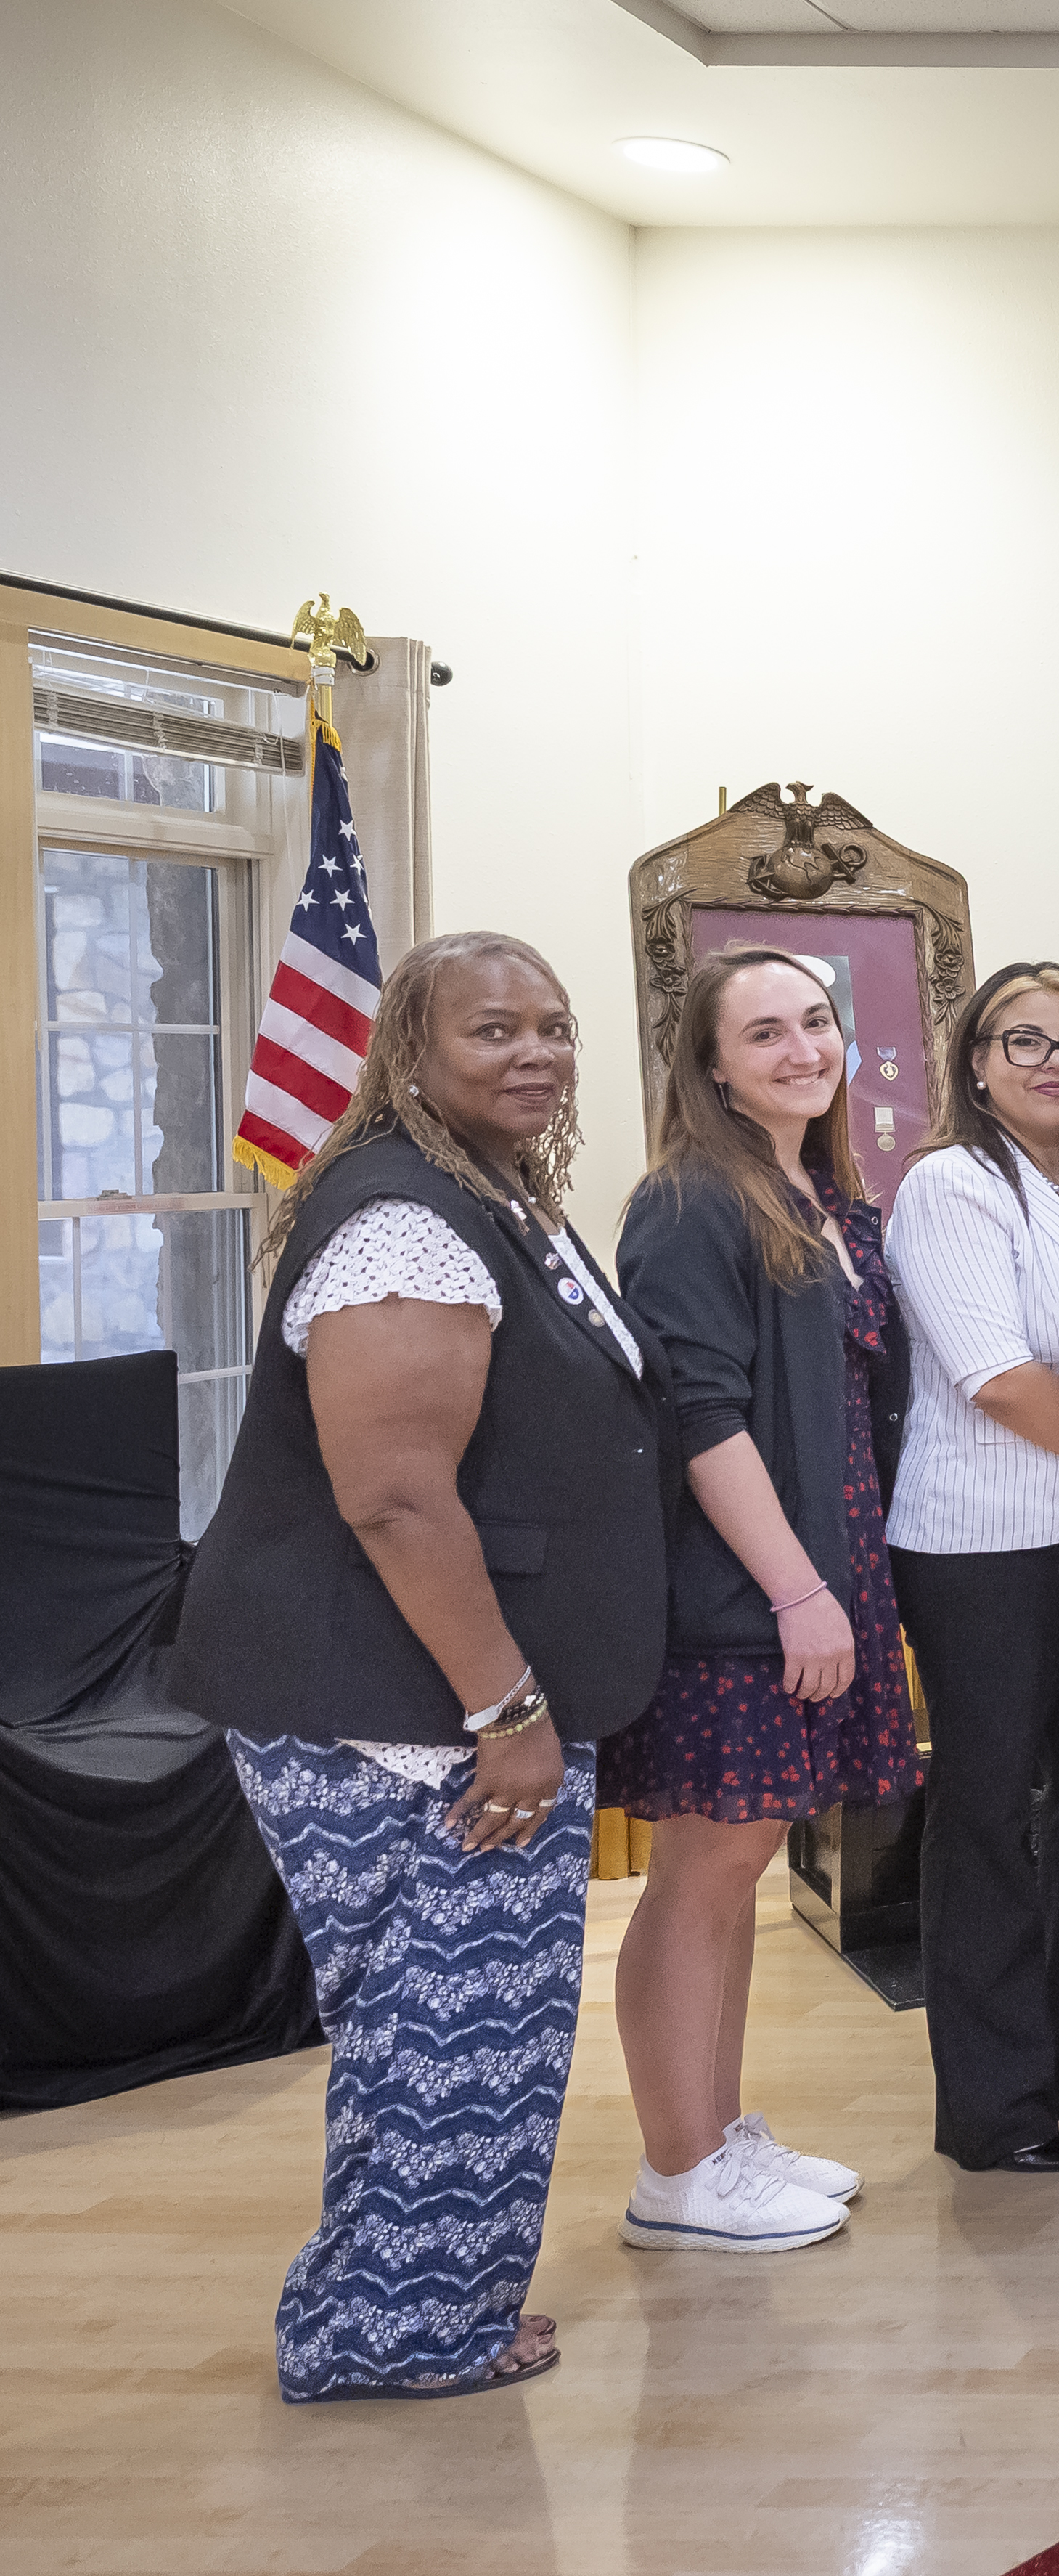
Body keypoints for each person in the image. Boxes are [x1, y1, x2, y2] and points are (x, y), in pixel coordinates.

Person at [173, 934, 664, 2401]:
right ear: (408, 1049)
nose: (533, 1054)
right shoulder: (404, 1220)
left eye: (554, 1030)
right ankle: (387, 2334)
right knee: (444, 2028)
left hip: (445, 1697)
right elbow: (392, 1494)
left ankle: (409, 2315)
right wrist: (508, 1711)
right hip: (403, 1713)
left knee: (465, 2022)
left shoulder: (487, 1194)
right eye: (492, 1029)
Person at [605, 945, 923, 2255]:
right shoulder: (688, 1200)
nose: (802, 1047)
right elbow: (699, 1413)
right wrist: (796, 1589)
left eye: (816, 1022)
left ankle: (719, 2130)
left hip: (829, 1575)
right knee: (702, 1870)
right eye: (765, 1032)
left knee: (738, 1871)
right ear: (713, 1063)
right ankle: (674, 2167)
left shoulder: (827, 1195)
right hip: (745, 1597)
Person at [883, 959, 1059, 2175]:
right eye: (1025, 1039)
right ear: (978, 1062)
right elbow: (994, 1375)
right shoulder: (951, 1185)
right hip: (985, 1547)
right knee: (991, 1816)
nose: (1054, 1060)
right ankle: (995, 2104)